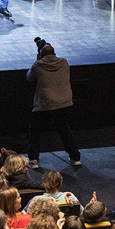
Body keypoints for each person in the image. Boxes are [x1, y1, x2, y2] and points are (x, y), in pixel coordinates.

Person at [27, 40, 81, 168]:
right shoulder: (64, 62)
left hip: (46, 103)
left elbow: (29, 77)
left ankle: (33, 159)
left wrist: (37, 59)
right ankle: (75, 157)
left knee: (35, 131)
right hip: (65, 102)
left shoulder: (38, 65)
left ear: (41, 55)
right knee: (64, 129)